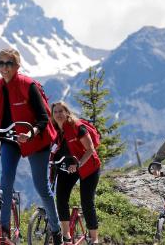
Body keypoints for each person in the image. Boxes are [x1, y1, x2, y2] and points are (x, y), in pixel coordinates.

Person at [0, 48, 63, 244]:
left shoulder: (28, 86)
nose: (4, 68)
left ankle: (56, 231)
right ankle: (4, 232)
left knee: (42, 187)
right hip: (8, 138)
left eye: (8, 64)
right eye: (0, 63)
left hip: (36, 139)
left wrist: (30, 133)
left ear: (17, 66)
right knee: (6, 181)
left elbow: (43, 117)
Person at [51, 101, 101, 244]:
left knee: (86, 202)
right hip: (68, 168)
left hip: (88, 167)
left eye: (61, 111)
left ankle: (94, 239)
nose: (58, 114)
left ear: (67, 112)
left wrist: (78, 164)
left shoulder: (77, 127)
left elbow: (91, 149)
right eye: (55, 112)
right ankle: (66, 236)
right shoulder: (55, 129)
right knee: (60, 199)